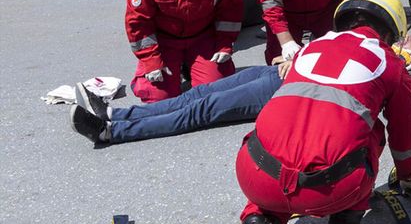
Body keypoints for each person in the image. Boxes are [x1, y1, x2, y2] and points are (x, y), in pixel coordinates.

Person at [228, 0, 411, 224]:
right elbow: (405, 134)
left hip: (254, 173)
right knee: (372, 132)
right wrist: (408, 177)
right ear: (392, 30)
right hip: (330, 189)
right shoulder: (390, 64)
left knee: (283, 145)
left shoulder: (310, 48)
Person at [70, 63, 287, 145]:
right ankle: (113, 114)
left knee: (202, 108)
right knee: (198, 93)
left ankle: (111, 132)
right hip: (287, 68)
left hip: (293, 86)